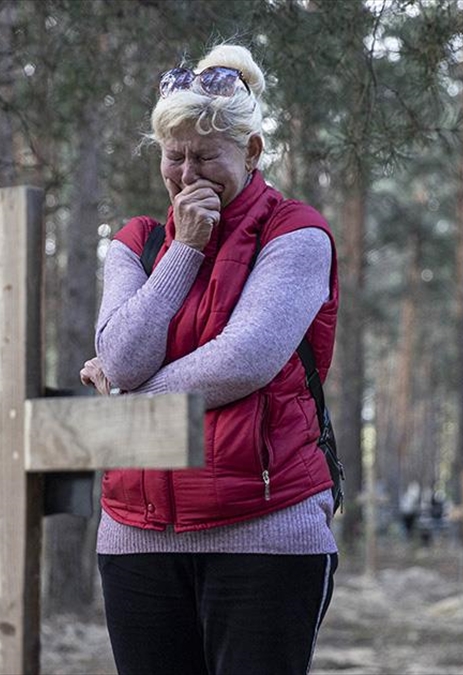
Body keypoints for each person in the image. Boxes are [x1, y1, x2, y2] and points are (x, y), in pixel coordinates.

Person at [78, 43, 340, 675]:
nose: (188, 175)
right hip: (135, 535)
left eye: (207, 156)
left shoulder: (296, 234)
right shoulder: (135, 244)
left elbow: (243, 359)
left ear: (250, 153)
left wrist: (126, 399)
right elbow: (118, 352)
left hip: (265, 531)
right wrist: (184, 252)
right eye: (175, 156)